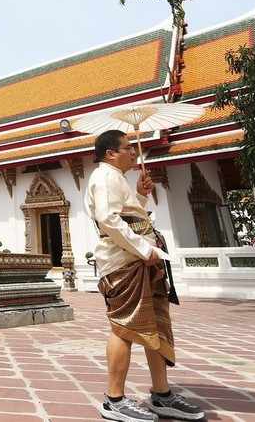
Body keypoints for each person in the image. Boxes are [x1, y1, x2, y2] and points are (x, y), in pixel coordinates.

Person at [85, 130, 204, 422]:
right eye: (128, 148)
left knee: (155, 326)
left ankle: (162, 395)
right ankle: (114, 399)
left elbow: (131, 216)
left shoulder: (117, 178)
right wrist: (142, 248)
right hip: (126, 261)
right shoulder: (105, 177)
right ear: (110, 153)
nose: (133, 153)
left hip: (143, 258)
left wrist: (140, 194)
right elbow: (109, 220)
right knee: (124, 328)